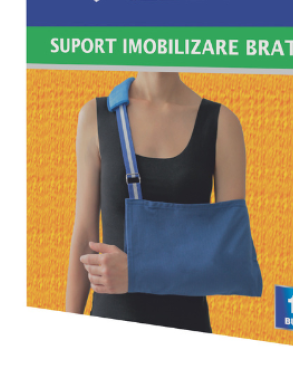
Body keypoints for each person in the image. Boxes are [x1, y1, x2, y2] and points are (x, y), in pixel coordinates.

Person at [64, 71, 246, 332]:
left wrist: (139, 272)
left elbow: (230, 260)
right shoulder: (96, 116)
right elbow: (85, 237)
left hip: (186, 327)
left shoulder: (221, 123)